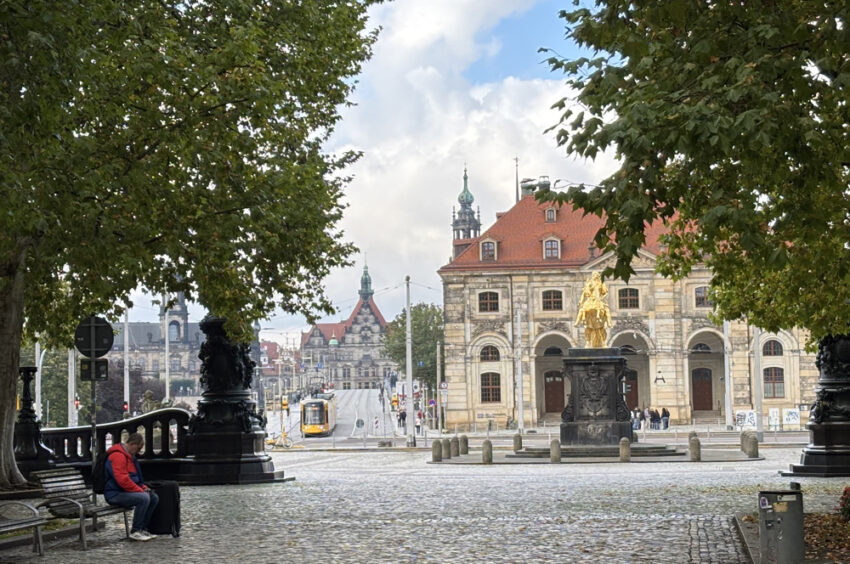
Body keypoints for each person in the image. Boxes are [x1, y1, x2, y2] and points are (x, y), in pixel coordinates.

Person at [104, 432, 159, 541]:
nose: (138, 452)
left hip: (123, 491)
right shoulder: (118, 456)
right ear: (133, 444)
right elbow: (122, 480)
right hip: (114, 494)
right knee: (143, 498)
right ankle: (136, 530)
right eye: (138, 449)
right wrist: (139, 490)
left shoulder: (129, 457)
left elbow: (134, 477)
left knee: (153, 497)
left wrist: (142, 487)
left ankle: (143, 528)